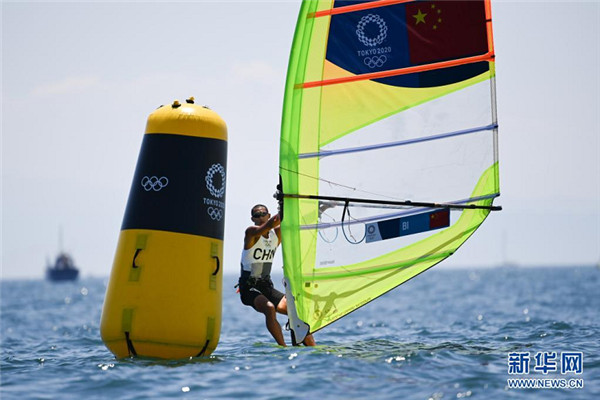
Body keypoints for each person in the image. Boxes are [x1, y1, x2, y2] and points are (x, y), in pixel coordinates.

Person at [238, 204, 316, 346]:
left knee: (295, 312)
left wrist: (320, 209)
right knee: (269, 308)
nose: (260, 217)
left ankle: (311, 348)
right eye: (257, 215)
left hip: (266, 286)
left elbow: (297, 221)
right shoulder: (251, 233)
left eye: (263, 214)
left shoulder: (276, 235)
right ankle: (283, 347)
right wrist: (285, 207)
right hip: (249, 288)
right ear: (252, 219)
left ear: (268, 215)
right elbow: (270, 224)